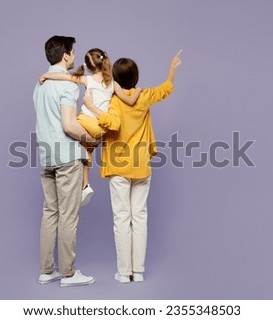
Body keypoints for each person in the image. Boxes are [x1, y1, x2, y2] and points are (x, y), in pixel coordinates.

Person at [83, 50, 182, 283]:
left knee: (121, 219)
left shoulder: (114, 101)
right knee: (140, 218)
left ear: (115, 78)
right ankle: (138, 272)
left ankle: (123, 272)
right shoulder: (144, 96)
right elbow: (166, 88)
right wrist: (173, 67)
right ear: (136, 77)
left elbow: (111, 123)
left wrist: (93, 107)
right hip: (141, 167)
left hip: (118, 167)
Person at [39, 48, 142, 207]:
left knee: (69, 132)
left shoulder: (88, 80)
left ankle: (82, 184)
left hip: (86, 122)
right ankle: (86, 186)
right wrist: (139, 91)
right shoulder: (113, 84)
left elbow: (63, 76)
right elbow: (130, 101)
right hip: (101, 127)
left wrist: (46, 75)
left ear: (88, 66)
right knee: (87, 150)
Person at [33, 35, 96, 287]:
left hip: (46, 156)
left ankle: (46, 271)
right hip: (67, 157)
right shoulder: (68, 86)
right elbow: (69, 125)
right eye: (73, 52)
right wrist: (90, 139)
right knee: (68, 216)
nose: (75, 56)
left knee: (50, 214)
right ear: (66, 55)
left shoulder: (39, 84)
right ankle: (68, 274)